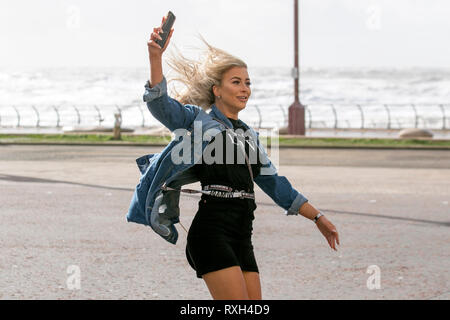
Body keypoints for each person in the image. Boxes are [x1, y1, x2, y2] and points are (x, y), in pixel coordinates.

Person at [144, 15, 340, 300]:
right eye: (236, 82)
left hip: (242, 232)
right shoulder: (200, 121)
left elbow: (277, 186)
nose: (244, 88)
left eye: (247, 82)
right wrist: (155, 58)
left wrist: (318, 218)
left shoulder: (250, 136)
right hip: (212, 230)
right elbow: (162, 106)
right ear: (217, 90)